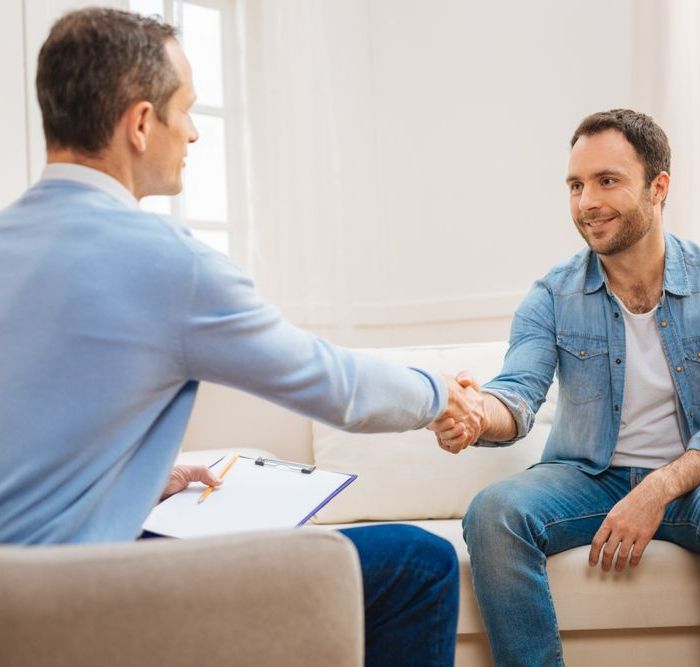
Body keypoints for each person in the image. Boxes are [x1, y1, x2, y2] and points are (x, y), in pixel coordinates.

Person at [0, 9, 487, 666]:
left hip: (14, 603)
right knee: (419, 562)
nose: (195, 133)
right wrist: (438, 395)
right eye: (185, 110)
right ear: (141, 124)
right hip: (78, 608)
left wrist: (137, 479)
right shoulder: (169, 262)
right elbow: (332, 385)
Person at [432, 109, 700, 666]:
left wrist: (655, 490)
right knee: (494, 511)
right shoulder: (552, 294)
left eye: (607, 181)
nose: (586, 202)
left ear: (658, 187)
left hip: (699, 481)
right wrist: (478, 413)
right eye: (575, 185)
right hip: (585, 477)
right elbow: (517, 395)